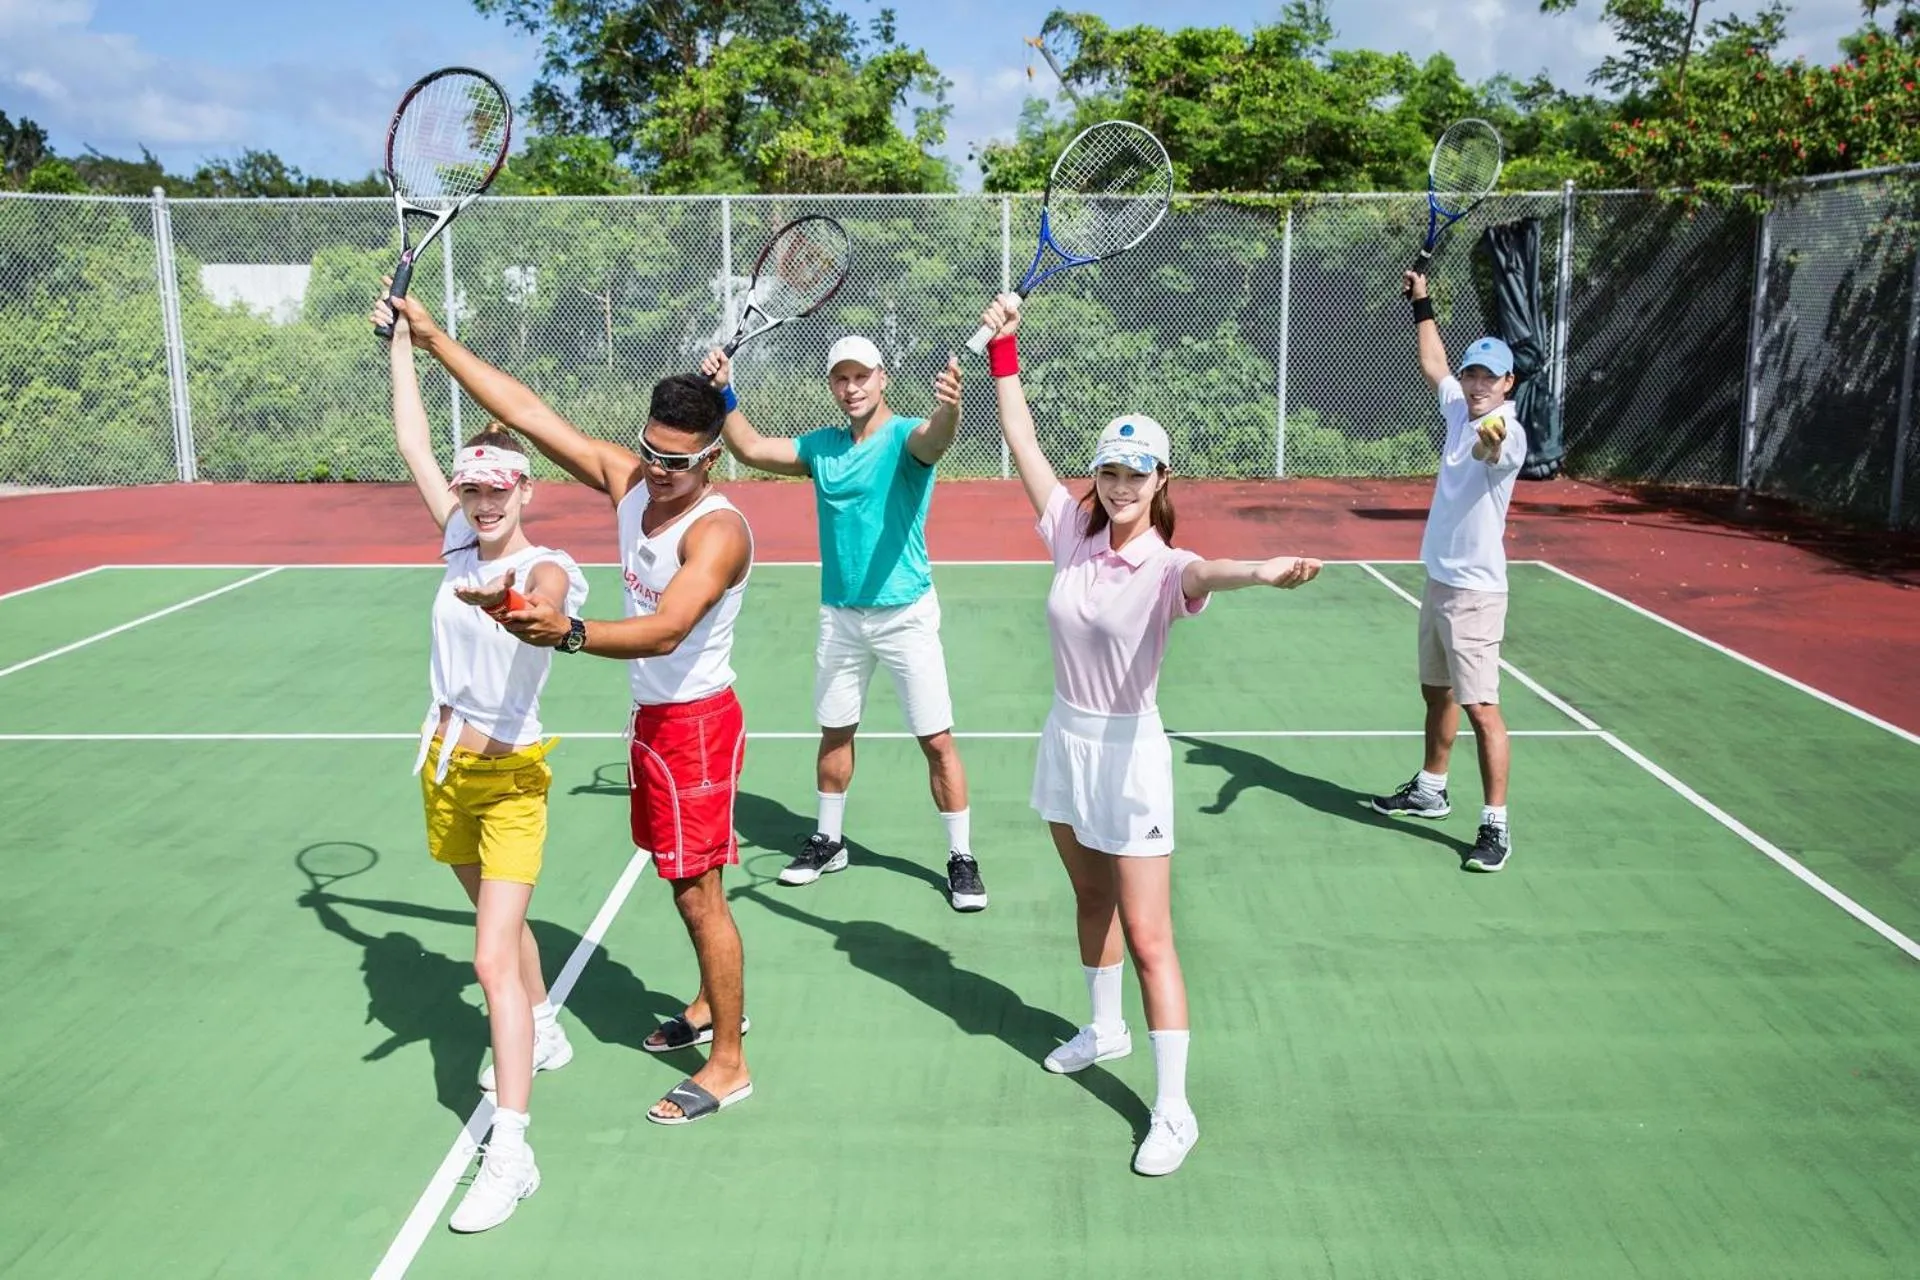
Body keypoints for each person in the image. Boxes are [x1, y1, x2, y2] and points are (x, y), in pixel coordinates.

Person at [387, 293, 756, 1128]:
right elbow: (525, 411)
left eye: (677, 462)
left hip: (695, 722)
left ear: (712, 460)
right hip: (653, 719)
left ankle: (730, 1064)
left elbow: (667, 629)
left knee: (697, 893)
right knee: (689, 883)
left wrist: (570, 632)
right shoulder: (631, 484)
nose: (657, 471)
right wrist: (434, 340)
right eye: (649, 451)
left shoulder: (718, 532)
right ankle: (709, 1004)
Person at [977, 293, 1323, 1176]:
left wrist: (1264, 571)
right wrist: (1004, 350)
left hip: (1129, 755)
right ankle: (1104, 1029)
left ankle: (1175, 1110)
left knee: (1149, 935)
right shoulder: (1071, 533)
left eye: (1138, 474)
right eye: (1110, 471)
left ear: (1162, 480)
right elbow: (1021, 439)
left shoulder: (1167, 567)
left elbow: (1211, 571)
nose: (1121, 486)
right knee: (1089, 900)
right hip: (1066, 740)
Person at [376, 296, 588, 1233]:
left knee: (490, 955)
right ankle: (542, 1028)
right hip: (442, 772)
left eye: (500, 488)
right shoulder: (457, 539)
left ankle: (512, 1153)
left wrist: (519, 606)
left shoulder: (550, 563)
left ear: (526, 491)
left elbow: (548, 595)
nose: (486, 500)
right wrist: (402, 346)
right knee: (496, 923)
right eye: (473, 488)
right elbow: (413, 442)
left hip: (511, 780)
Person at [703, 339, 986, 912]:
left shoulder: (905, 438)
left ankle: (961, 857)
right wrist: (725, 392)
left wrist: (951, 407)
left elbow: (936, 439)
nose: (852, 388)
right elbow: (751, 447)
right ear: (832, 385)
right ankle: (829, 842)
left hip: (905, 615)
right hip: (841, 616)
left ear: (882, 378)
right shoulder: (822, 448)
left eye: (861, 376)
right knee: (835, 732)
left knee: (936, 741)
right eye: (842, 378)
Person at [1368, 270, 1529, 873]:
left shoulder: (1505, 430)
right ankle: (1431, 789)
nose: (1479, 384)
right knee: (1437, 693)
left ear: (1508, 383)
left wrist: (1491, 438)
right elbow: (1433, 363)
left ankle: (1495, 826)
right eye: (1473, 374)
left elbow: (1494, 450)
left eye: (1491, 376)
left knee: (1482, 709)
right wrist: (1422, 302)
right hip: (1439, 581)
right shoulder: (1459, 406)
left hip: (1476, 595)